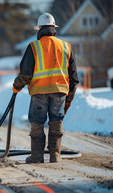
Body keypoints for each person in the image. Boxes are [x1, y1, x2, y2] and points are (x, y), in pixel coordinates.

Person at [12, 13, 79, 163]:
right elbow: (74, 78)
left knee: (37, 123)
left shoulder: (34, 47)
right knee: (56, 122)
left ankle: (37, 156)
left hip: (39, 92)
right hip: (60, 92)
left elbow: (25, 73)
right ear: (54, 29)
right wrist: (69, 99)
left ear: (40, 29)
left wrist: (16, 86)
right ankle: (55, 155)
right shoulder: (66, 47)